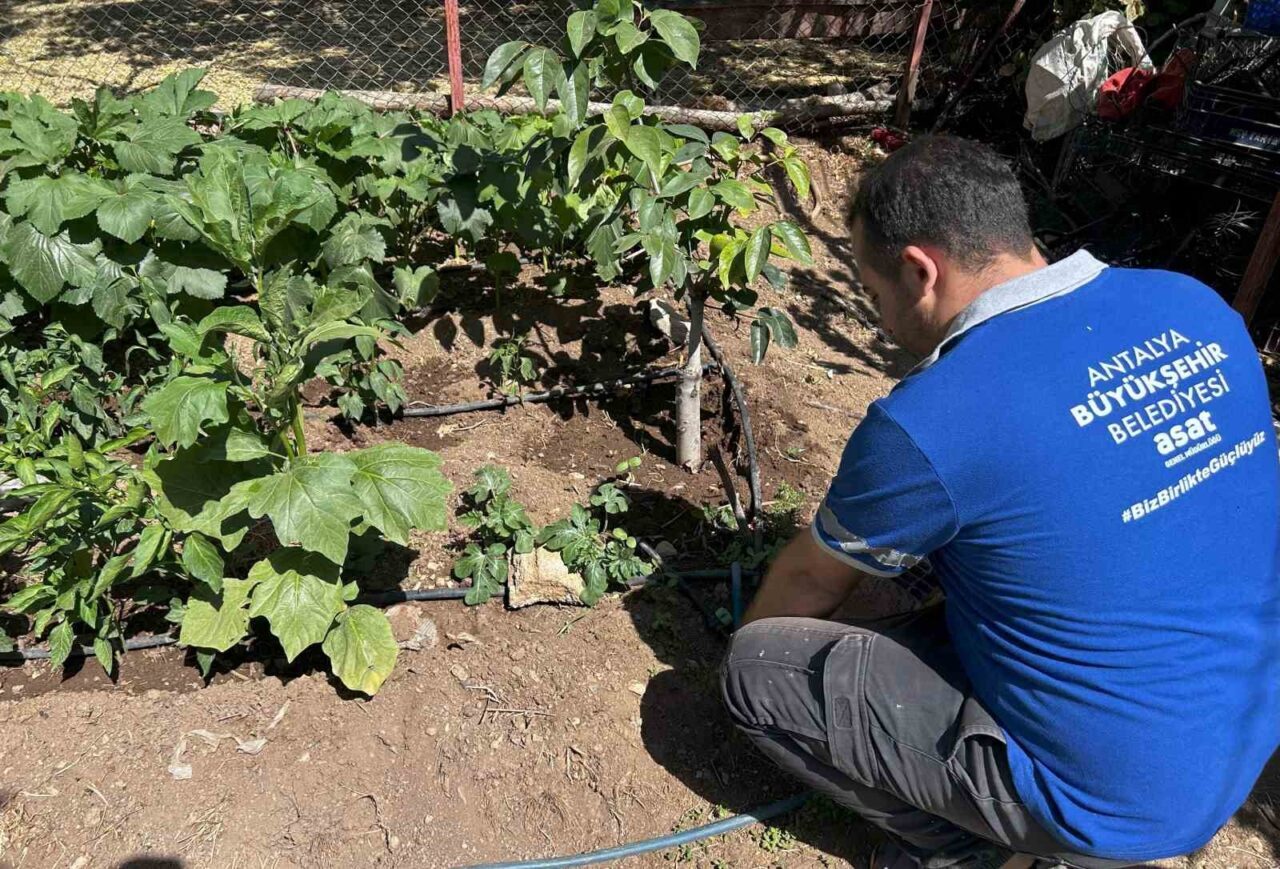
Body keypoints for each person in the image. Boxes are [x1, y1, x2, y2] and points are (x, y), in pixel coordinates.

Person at [720, 135, 1280, 869]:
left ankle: (974, 851)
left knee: (758, 670)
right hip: (1236, 738)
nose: (882, 318)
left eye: (873, 293)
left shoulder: (934, 418)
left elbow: (809, 581)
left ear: (920, 270)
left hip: (1111, 802)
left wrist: (751, 645)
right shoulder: (1196, 307)